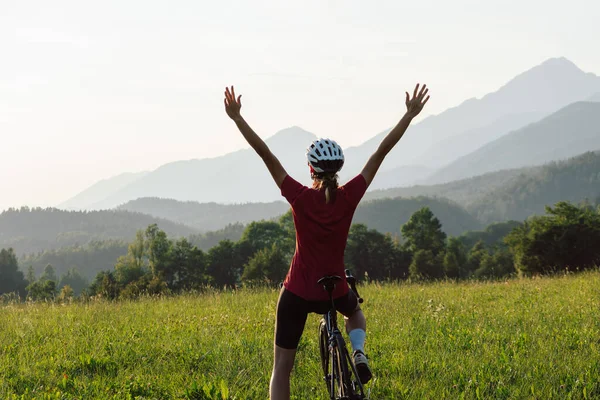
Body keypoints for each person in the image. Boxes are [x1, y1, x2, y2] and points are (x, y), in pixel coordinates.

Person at [224, 83, 430, 400]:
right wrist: (409, 115)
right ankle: (358, 352)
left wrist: (237, 118)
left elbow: (266, 154)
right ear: (339, 169)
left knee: (281, 369)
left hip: (297, 292)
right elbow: (380, 153)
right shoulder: (348, 196)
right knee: (355, 314)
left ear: (311, 168)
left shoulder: (301, 197)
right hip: (333, 291)